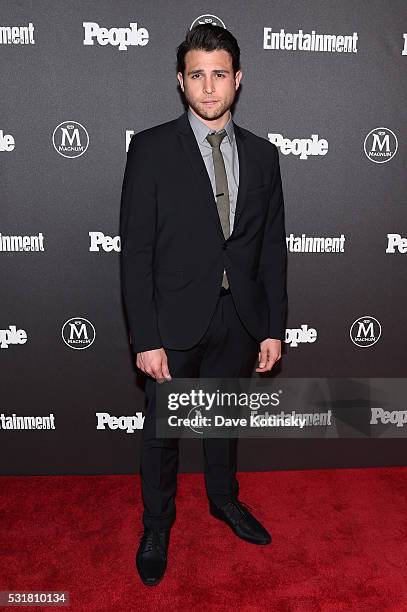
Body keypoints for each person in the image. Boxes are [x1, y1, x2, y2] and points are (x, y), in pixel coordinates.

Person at [119, 23, 288, 586]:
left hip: (238, 317)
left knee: (223, 423)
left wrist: (270, 326)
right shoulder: (149, 148)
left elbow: (270, 249)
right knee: (163, 432)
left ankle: (224, 500)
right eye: (198, 75)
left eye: (220, 75)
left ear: (237, 80)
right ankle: (157, 524)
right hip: (173, 321)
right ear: (180, 81)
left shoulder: (264, 157)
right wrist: (144, 337)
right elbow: (135, 251)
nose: (209, 87)